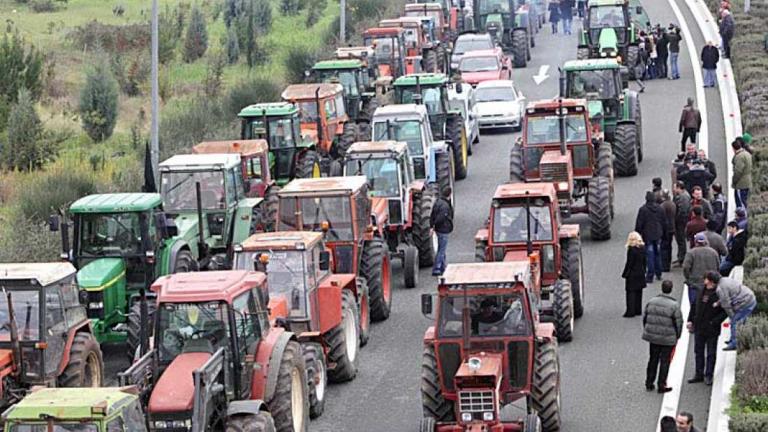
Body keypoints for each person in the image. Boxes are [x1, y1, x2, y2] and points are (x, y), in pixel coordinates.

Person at [687, 274, 728, 386]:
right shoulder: (701, 290)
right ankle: (698, 373)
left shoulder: (719, 293)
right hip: (699, 326)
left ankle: (709, 375)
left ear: (711, 281)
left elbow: (725, 311)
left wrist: (714, 322)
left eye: (706, 278)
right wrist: (690, 320)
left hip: (711, 328)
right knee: (698, 351)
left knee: (711, 353)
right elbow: (694, 306)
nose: (704, 280)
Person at [643, 280, 683, 393]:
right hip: (667, 338)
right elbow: (678, 323)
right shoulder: (674, 305)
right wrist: (677, 336)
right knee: (665, 361)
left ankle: (649, 382)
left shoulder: (651, 301)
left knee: (653, 359)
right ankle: (661, 385)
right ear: (671, 289)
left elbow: (645, 318)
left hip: (653, 337)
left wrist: (648, 330)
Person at [705, 271, 756, 351]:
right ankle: (734, 339)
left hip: (745, 302)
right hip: (748, 298)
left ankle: (734, 343)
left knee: (735, 322)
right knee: (739, 321)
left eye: (707, 280)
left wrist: (732, 317)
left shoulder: (720, 289)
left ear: (712, 281)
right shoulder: (724, 280)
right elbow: (727, 296)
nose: (705, 282)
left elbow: (727, 305)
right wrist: (719, 302)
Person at [635, 191, 668, 282]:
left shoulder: (643, 209)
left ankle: (650, 275)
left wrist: (638, 235)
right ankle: (659, 273)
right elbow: (664, 222)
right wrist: (665, 234)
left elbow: (639, 224)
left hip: (647, 235)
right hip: (658, 234)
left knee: (649, 255)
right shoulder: (660, 209)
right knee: (657, 253)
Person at [683, 233, 721, 305]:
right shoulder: (713, 252)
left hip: (695, 283)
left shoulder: (691, 253)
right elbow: (718, 266)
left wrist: (688, 277)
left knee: (694, 304)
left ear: (696, 242)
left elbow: (686, 267)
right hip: (710, 283)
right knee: (708, 304)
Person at [622, 232, 647, 317]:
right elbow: (644, 261)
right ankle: (638, 309)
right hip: (640, 272)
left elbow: (629, 263)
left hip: (632, 274)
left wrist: (625, 273)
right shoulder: (642, 248)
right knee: (639, 292)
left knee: (631, 293)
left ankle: (630, 311)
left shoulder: (631, 250)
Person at [430, 186, 453, 276]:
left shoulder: (438, 202)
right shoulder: (445, 206)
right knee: (442, 250)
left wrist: (431, 226)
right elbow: (441, 217)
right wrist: (435, 225)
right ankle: (437, 268)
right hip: (443, 229)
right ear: (449, 194)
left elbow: (432, 215)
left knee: (441, 248)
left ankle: (443, 266)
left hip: (439, 230)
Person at [673, 181, 692, 266]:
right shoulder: (683, 195)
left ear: (679, 187)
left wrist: (676, 219)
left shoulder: (683, 197)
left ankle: (682, 258)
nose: (674, 189)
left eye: (675, 187)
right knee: (680, 240)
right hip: (681, 221)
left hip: (681, 222)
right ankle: (680, 257)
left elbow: (682, 211)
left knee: (681, 240)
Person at [732, 139, 753, 210]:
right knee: (745, 200)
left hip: (741, 184)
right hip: (748, 181)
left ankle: (742, 217)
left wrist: (734, 181)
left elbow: (738, 171)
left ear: (733, 148)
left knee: (741, 202)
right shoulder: (747, 154)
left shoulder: (739, 157)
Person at [660, 190, 677, 272]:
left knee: (664, 247)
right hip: (672, 228)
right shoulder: (673, 204)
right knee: (669, 246)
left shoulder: (662, 206)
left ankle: (664, 265)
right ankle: (669, 262)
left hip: (665, 229)